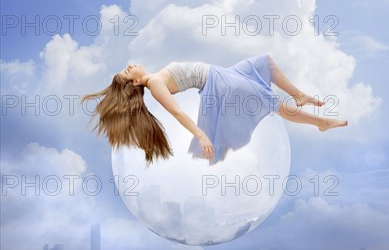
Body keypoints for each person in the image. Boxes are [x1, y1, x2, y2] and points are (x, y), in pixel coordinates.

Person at [81, 53, 348, 166]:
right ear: (137, 82)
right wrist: (201, 135)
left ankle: (299, 95)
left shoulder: (156, 77)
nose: (130, 67)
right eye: (128, 73)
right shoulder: (155, 84)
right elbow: (177, 112)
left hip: (220, 73)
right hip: (217, 83)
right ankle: (320, 122)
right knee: (268, 101)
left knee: (264, 61)